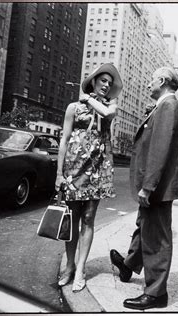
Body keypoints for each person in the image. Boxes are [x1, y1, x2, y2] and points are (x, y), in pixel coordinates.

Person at [110, 67, 178, 310]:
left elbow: (159, 150)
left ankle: (155, 294)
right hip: (157, 186)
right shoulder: (165, 107)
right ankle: (130, 265)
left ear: (162, 81)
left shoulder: (168, 107)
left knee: (157, 239)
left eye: (151, 80)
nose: (147, 84)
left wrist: (148, 187)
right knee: (145, 226)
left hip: (158, 187)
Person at [55, 63, 123, 293]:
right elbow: (64, 140)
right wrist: (58, 173)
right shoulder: (73, 108)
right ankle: (70, 266)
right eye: (102, 80)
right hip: (74, 167)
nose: (106, 85)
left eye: (109, 83)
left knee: (88, 218)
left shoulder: (110, 105)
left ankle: (81, 269)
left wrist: (88, 99)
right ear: (93, 81)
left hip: (97, 169)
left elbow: (107, 113)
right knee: (72, 219)